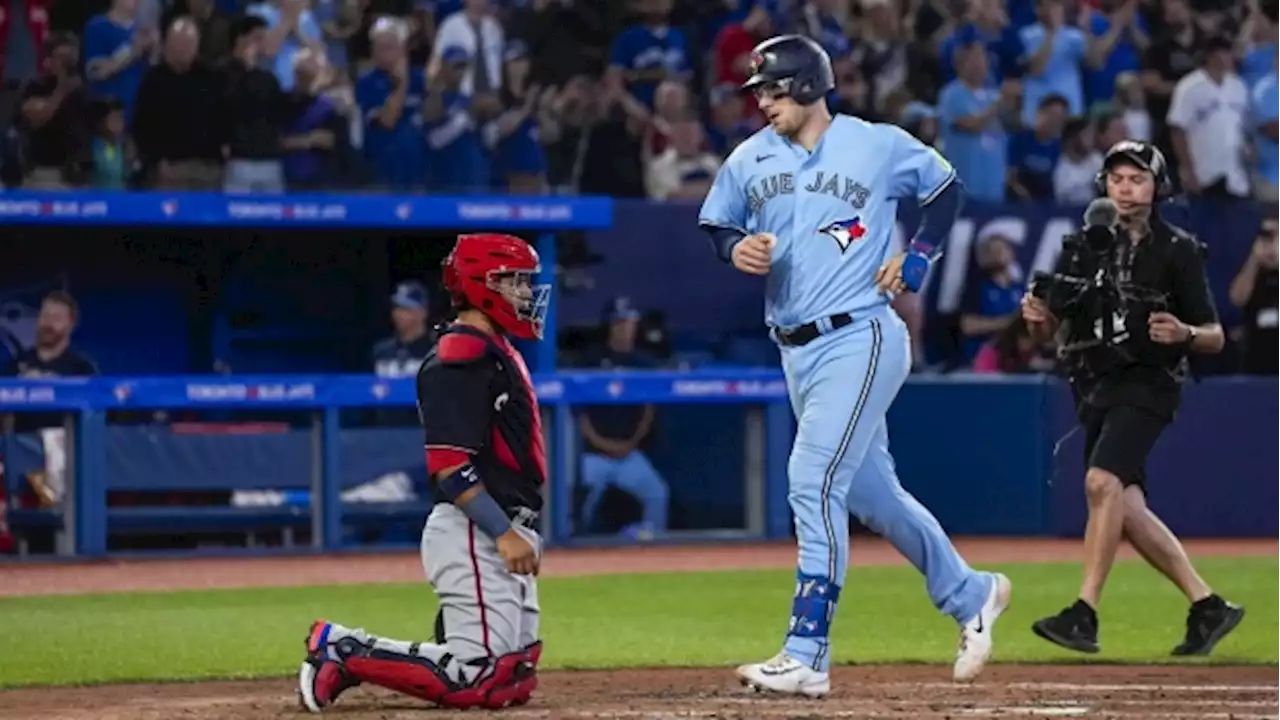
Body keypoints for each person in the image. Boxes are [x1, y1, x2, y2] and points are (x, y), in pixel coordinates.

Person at [697, 34, 1011, 695]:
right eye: (759, 92)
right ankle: (971, 593)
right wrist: (734, 251)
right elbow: (718, 223)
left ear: (809, 86)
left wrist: (921, 253)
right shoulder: (751, 156)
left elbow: (945, 190)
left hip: (861, 334)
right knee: (872, 494)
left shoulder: (876, 142)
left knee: (811, 479)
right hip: (794, 349)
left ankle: (807, 651)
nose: (763, 103)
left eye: (773, 90)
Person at [299, 234, 548, 712]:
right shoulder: (459, 356)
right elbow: (450, 469)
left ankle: (458, 636)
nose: (524, 292)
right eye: (513, 280)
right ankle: (342, 649)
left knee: (512, 678)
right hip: (477, 528)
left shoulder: (491, 347)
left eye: (524, 281)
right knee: (475, 680)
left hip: (505, 525)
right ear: (480, 284)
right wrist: (502, 532)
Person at [1022, 140, 1245, 656]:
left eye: (1137, 178)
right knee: (1124, 504)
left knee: (1101, 483)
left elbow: (1215, 334)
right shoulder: (1080, 246)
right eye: (1117, 178)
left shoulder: (1178, 249)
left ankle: (1084, 613)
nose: (1125, 188)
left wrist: (1185, 332)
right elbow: (1049, 331)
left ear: (1157, 188)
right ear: (1104, 185)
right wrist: (1037, 319)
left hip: (1149, 381)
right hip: (1094, 383)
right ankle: (1208, 606)